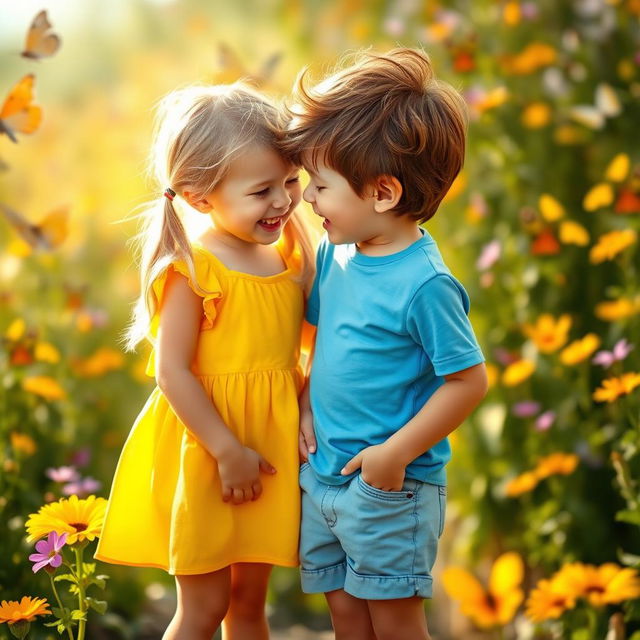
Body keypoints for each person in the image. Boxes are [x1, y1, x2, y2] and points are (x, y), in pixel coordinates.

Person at [94, 82, 316, 640]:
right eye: (262, 189)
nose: (283, 201)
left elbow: (309, 347)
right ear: (199, 197)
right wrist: (225, 450)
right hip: (209, 453)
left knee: (247, 605)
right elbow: (172, 373)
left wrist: (305, 404)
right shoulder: (194, 270)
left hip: (264, 452)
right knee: (204, 607)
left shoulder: (287, 260)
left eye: (290, 181)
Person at [283, 48, 489, 640]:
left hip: (388, 488)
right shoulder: (336, 251)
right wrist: (303, 402)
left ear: (382, 193)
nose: (307, 199)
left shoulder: (424, 285)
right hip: (325, 474)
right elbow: (322, 341)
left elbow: (468, 381)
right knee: (347, 615)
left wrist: (392, 456)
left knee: (395, 623)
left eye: (320, 186)